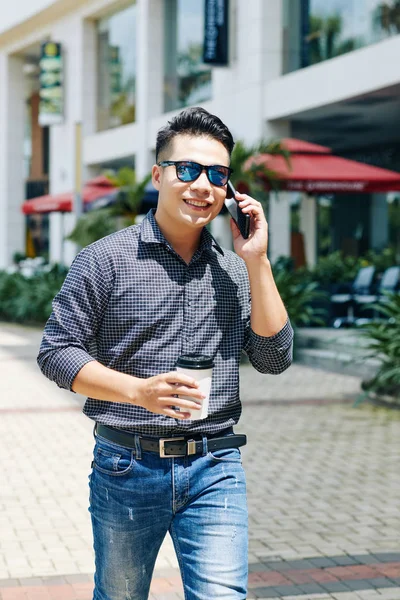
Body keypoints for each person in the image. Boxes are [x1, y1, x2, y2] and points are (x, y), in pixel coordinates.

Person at [37, 106, 293, 600]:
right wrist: (138, 391)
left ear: (230, 192)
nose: (203, 184)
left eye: (218, 174)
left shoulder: (235, 270)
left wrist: (257, 259)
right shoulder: (105, 259)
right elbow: (56, 351)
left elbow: (274, 358)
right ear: (159, 175)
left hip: (215, 466)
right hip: (126, 465)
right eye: (188, 169)